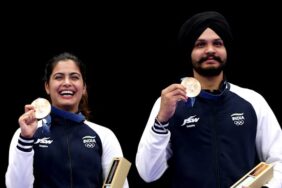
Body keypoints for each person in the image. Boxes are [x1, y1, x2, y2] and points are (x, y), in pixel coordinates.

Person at [135, 11, 282, 188]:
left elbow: (278, 159)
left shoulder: (253, 101)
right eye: (200, 44)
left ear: (226, 49)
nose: (210, 50)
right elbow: (148, 173)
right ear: (189, 52)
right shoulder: (169, 103)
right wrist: (161, 121)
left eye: (217, 43)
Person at [6, 52, 129, 188]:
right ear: (47, 86)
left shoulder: (106, 136)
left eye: (74, 77)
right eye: (58, 77)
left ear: (84, 87)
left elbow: (119, 186)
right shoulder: (25, 134)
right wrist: (26, 139)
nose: (67, 83)